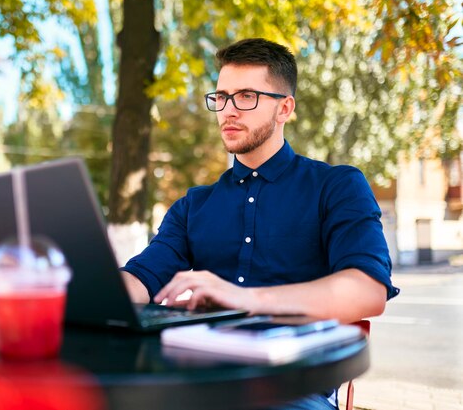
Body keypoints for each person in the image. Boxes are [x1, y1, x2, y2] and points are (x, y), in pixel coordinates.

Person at [120, 38, 399, 410]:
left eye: (246, 96)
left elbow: (367, 290)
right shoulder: (193, 205)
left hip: (293, 388)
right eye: (221, 97)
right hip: (198, 378)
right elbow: (143, 277)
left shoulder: (337, 186)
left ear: (284, 108)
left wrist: (247, 299)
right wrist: (84, 295)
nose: (228, 111)